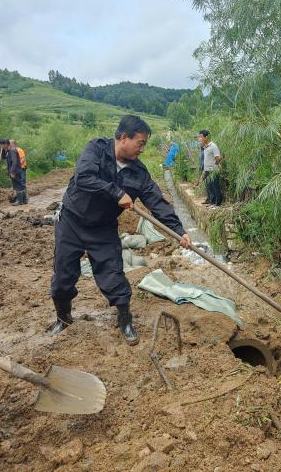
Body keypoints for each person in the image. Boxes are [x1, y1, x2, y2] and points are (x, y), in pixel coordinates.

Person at [49, 115, 192, 345]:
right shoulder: (96, 149)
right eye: (141, 143)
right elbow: (84, 178)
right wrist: (117, 193)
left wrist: (179, 230)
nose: (142, 149)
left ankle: (125, 320)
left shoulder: (139, 173)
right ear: (123, 137)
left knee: (113, 275)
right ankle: (63, 319)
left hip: (103, 228)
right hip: (72, 221)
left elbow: (157, 202)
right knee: (63, 276)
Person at [197, 130, 222, 206]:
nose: (199, 139)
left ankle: (217, 204)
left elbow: (218, 158)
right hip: (207, 170)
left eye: (201, 137)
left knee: (215, 187)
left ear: (206, 137)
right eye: (199, 137)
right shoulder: (205, 147)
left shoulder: (213, 146)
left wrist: (214, 165)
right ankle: (212, 202)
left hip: (213, 170)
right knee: (209, 187)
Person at [0, 138, 25, 205]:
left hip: (15, 171)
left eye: (1, 145)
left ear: (5, 144)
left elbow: (15, 162)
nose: (1, 146)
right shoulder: (8, 151)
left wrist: (12, 172)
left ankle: (20, 201)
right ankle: (24, 200)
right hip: (15, 170)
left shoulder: (12, 150)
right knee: (18, 185)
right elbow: (4, 157)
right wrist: (2, 150)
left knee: (18, 185)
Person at [9, 139, 28, 203]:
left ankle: (24, 199)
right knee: (18, 184)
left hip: (21, 168)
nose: (9, 145)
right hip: (18, 168)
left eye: (10, 144)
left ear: (13, 144)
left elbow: (22, 159)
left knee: (22, 183)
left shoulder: (19, 150)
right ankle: (19, 198)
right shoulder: (12, 151)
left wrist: (17, 166)